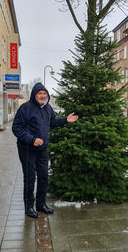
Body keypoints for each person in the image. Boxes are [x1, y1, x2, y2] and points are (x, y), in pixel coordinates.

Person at [12, 83, 78, 219]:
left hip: (42, 149)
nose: (42, 96)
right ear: (34, 95)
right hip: (27, 149)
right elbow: (17, 128)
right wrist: (31, 139)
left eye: (44, 93)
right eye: (39, 93)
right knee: (30, 178)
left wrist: (66, 120)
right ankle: (29, 206)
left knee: (43, 176)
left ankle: (41, 204)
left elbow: (52, 122)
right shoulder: (25, 108)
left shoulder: (47, 108)